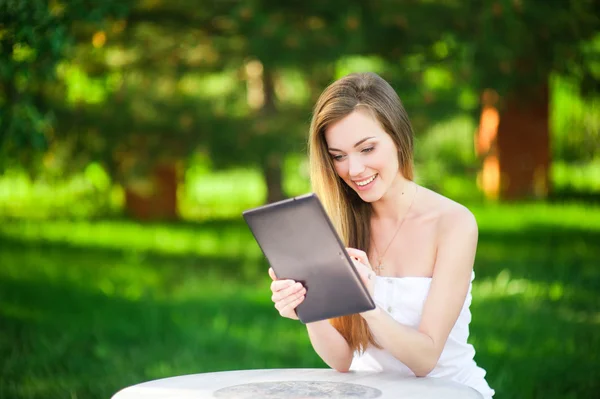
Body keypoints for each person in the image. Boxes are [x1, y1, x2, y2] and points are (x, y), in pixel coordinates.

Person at [268, 72, 495, 398]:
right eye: (339, 156)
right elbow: (343, 360)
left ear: (398, 137)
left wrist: (367, 303)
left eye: (367, 148)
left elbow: (425, 359)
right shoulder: (337, 222)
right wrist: (309, 310)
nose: (354, 169)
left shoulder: (453, 223)